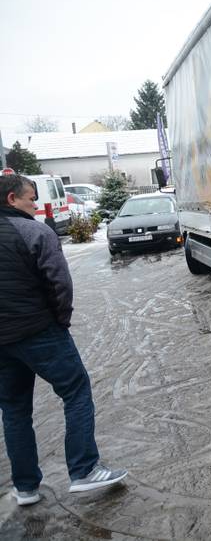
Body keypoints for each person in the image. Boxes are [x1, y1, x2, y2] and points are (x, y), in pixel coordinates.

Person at [0, 174, 127, 507]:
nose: (35, 204)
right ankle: (84, 469)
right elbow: (60, 285)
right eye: (30, 198)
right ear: (12, 199)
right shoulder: (35, 232)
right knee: (76, 390)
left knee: (14, 411)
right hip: (39, 331)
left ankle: (25, 488)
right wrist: (60, 322)